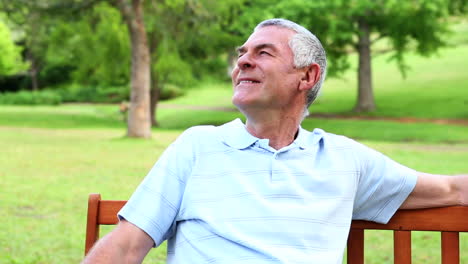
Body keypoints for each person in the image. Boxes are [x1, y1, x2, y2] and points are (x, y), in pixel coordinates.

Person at [82, 18, 467, 264]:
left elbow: (451, 188)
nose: (242, 62)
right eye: (242, 54)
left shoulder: (345, 160)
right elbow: (126, 245)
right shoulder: (196, 146)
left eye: (262, 53)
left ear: (307, 77)